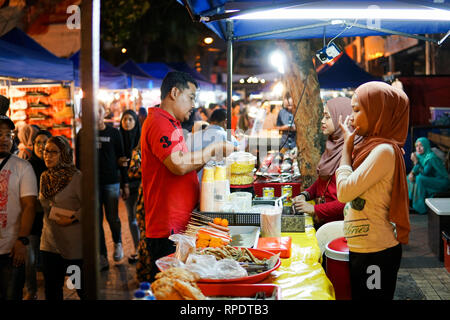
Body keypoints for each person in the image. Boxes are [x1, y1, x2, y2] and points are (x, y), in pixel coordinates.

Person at [141, 71, 235, 282]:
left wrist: (210, 157)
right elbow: (179, 164)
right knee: (172, 290)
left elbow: (187, 163)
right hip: (168, 230)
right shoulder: (159, 122)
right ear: (174, 92)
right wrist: (214, 148)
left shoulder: (172, 123)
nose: (194, 104)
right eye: (191, 97)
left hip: (181, 225)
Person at [336, 81, 410, 300]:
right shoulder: (370, 146)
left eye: (357, 110)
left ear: (379, 112)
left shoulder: (383, 151)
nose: (351, 117)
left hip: (376, 252)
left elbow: (344, 192)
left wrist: (346, 148)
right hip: (365, 248)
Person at [76, 103, 129, 271]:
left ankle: (118, 242)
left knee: (113, 217)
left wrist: (125, 182)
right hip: (91, 183)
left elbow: (122, 158)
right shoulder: (83, 133)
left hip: (111, 181)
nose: (95, 114)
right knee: (96, 220)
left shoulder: (114, 133)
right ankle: (102, 256)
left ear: (104, 112)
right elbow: (79, 161)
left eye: (98, 111)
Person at [293, 97, 361, 228]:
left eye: (328, 117)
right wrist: (305, 194)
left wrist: (314, 209)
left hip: (340, 227)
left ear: (342, 118)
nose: (322, 121)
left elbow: (348, 201)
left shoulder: (353, 152)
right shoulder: (333, 144)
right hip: (325, 220)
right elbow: (324, 180)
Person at [39, 136, 86, 300]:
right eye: (46, 151)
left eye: (53, 152)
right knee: (52, 289)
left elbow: (90, 205)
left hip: (72, 245)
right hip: (49, 243)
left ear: (64, 154)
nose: (48, 156)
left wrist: (72, 218)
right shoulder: (45, 177)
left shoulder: (76, 177)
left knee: (80, 286)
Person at [0, 115, 37, 300]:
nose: (4, 139)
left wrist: (22, 240)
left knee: (12, 294)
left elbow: (29, 206)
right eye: (0, 134)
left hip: (11, 249)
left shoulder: (23, 167)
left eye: (8, 134)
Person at [24, 129, 52, 300]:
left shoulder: (56, 166)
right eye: (38, 142)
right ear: (33, 145)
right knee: (30, 258)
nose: (42, 146)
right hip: (33, 219)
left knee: (51, 260)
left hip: (52, 220)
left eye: (45, 142)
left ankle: (53, 291)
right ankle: (31, 290)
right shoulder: (26, 166)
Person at [186, 108, 239, 180]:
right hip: (219, 183)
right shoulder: (227, 137)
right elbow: (238, 155)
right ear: (225, 122)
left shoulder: (192, 137)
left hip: (195, 183)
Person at [119, 110, 141, 264]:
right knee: (131, 218)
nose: (127, 122)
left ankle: (142, 248)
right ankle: (137, 249)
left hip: (141, 183)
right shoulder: (118, 138)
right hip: (125, 183)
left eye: (130, 119)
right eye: (125, 119)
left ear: (135, 122)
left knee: (141, 217)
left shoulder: (141, 139)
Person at [407, 137, 450, 214]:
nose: (418, 148)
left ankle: (420, 207)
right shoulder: (421, 156)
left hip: (442, 181)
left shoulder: (431, 157)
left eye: (421, 145)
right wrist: (412, 173)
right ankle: (410, 201)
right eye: (416, 146)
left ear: (426, 146)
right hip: (432, 179)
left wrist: (416, 162)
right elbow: (416, 170)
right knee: (409, 178)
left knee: (419, 178)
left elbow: (424, 172)